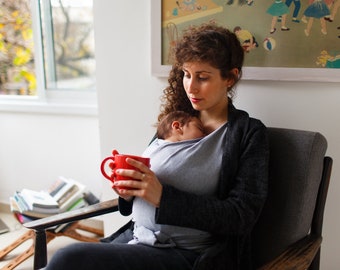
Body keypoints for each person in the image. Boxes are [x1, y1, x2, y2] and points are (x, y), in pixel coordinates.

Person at [45, 23, 269, 270]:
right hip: (138, 239)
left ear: (230, 77)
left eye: (203, 77)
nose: (191, 87)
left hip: (187, 255)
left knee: (67, 258)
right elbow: (150, 179)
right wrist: (128, 192)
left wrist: (163, 198)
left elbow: (240, 216)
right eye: (186, 74)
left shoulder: (248, 134)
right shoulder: (179, 121)